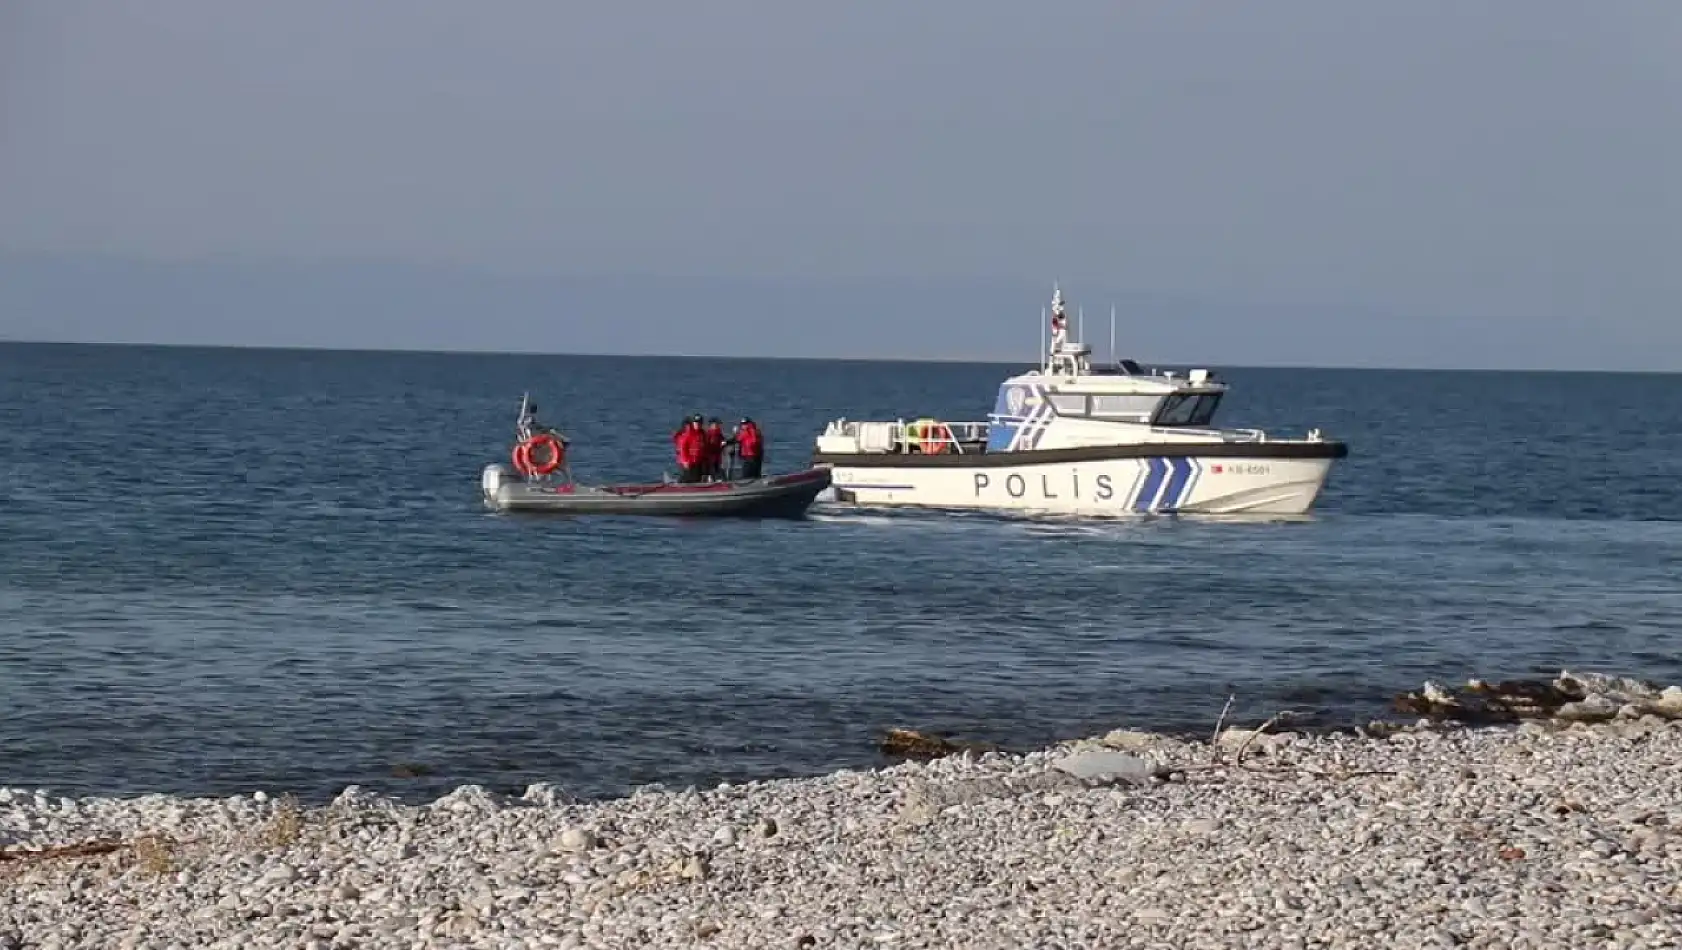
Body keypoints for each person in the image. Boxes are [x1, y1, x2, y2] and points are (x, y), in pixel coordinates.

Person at [672, 415, 705, 483]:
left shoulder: (702, 433)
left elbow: (703, 447)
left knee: (696, 480)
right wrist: (685, 461)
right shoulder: (688, 433)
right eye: (695, 423)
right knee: (685, 480)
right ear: (692, 423)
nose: (697, 425)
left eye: (699, 423)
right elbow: (682, 447)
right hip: (688, 462)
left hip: (697, 461)